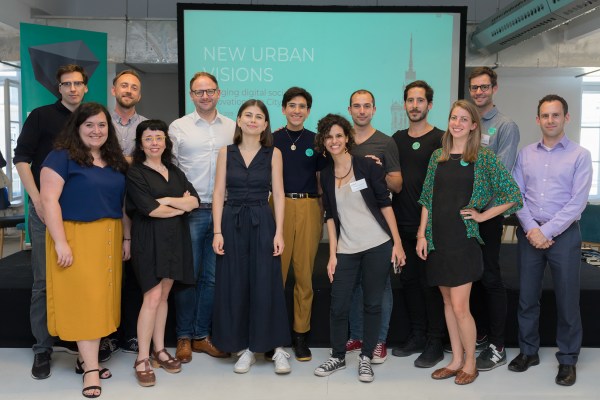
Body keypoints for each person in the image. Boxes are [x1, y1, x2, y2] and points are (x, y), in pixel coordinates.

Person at [416, 100, 521, 386]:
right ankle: (456, 361)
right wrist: (421, 234)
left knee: (461, 306)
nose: (458, 123)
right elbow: (427, 198)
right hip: (437, 239)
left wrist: (483, 215)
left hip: (463, 240)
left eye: (464, 119)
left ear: (474, 125)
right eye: (454, 118)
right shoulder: (438, 156)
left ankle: (470, 363)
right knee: (447, 303)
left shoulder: (483, 158)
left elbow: (512, 194)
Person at [40, 102, 130, 398]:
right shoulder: (60, 157)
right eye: (89, 124)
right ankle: (91, 369)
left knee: (101, 300)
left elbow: (122, 204)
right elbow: (49, 201)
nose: (96, 130)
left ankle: (83, 359)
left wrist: (126, 238)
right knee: (84, 301)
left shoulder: (113, 159)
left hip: (109, 235)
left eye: (102, 125)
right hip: (75, 236)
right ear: (77, 127)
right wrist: (61, 241)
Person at [313, 114, 406, 383]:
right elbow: (330, 216)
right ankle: (338, 356)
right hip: (346, 248)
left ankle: (366, 358)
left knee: (373, 303)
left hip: (377, 244)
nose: (334, 141)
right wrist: (332, 254)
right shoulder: (326, 175)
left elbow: (385, 204)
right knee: (338, 305)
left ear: (347, 138)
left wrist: (397, 243)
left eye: (339, 136)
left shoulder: (366, 166)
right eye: (329, 137)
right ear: (323, 141)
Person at [510, 94, 592, 387]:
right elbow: (517, 194)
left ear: (566, 118)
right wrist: (533, 229)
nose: (550, 120)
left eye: (556, 115)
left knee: (567, 300)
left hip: (565, 235)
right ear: (537, 120)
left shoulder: (580, 155)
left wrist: (546, 232)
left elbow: (577, 202)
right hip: (529, 233)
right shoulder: (525, 154)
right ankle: (528, 352)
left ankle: (567, 359)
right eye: (545, 115)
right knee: (527, 298)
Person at [14, 64, 88, 380]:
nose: (72, 88)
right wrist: (37, 200)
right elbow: (21, 159)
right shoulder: (41, 116)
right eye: (66, 84)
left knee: (80, 280)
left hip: (82, 213)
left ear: (85, 87)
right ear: (58, 88)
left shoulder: (92, 118)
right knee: (43, 282)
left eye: (77, 83)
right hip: (46, 210)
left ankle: (79, 345)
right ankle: (42, 349)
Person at [211, 99, 291, 375]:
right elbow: (218, 193)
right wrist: (217, 231)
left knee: (266, 281)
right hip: (231, 221)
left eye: (259, 116)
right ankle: (245, 348)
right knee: (235, 283)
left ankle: (276, 347)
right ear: (239, 120)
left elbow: (278, 194)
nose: (253, 120)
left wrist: (279, 232)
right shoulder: (226, 152)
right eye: (248, 115)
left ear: (266, 124)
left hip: (262, 220)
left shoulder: (273, 153)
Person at [126, 119, 199, 386]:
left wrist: (168, 200)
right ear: (140, 144)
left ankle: (159, 350)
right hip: (148, 240)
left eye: (159, 138)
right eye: (148, 139)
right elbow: (150, 209)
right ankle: (142, 358)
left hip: (174, 239)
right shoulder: (135, 173)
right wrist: (181, 206)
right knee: (152, 296)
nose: (154, 143)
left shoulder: (175, 171)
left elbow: (195, 201)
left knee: (165, 295)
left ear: (166, 142)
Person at [169, 72, 234, 362]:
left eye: (209, 91)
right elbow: (169, 168)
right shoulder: (178, 127)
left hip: (223, 211)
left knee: (212, 278)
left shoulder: (233, 127)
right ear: (191, 95)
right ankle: (183, 336)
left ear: (218, 93)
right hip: (191, 212)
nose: (205, 96)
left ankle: (201, 335)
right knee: (188, 276)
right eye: (199, 92)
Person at [391, 80, 446, 368]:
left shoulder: (441, 139)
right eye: (410, 100)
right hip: (402, 223)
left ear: (430, 105)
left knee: (430, 284)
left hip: (432, 227)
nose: (414, 106)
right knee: (409, 282)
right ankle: (417, 335)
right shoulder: (396, 139)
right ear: (405, 104)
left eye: (420, 100)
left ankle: (436, 341)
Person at [468, 67, 520, 371]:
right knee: (471, 277)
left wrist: (477, 209)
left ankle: (497, 345)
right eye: (474, 87)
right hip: (466, 215)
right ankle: (480, 334)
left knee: (490, 277)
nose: (479, 92)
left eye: (484, 87)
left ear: (494, 89)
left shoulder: (505, 126)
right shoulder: (467, 122)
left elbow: (500, 174)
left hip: (486, 215)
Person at [345, 89, 402, 364]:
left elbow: (397, 184)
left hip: (377, 223)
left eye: (367, 106)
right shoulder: (342, 140)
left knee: (380, 285)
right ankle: (357, 335)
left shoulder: (385, 142)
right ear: (349, 110)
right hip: (348, 224)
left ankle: (379, 340)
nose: (362, 111)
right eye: (357, 106)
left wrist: (379, 173)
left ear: (374, 110)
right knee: (354, 282)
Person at [271, 87, 325, 361]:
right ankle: (273, 336)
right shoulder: (272, 139)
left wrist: (322, 212)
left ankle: (300, 336)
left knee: (304, 276)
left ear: (308, 111)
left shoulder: (317, 141)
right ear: (283, 109)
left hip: (308, 206)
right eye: (292, 105)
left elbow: (320, 181)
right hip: (278, 208)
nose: (296, 110)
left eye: (302, 106)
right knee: (276, 275)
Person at [100, 69, 149, 360]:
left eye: (134, 87)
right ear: (114, 90)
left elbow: (148, 160)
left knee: (134, 275)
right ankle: (105, 335)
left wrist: (117, 159)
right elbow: (96, 156)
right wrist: (130, 160)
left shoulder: (146, 126)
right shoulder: (100, 122)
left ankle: (130, 333)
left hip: (136, 207)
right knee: (105, 275)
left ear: (139, 95)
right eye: (124, 86)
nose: (128, 90)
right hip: (104, 205)